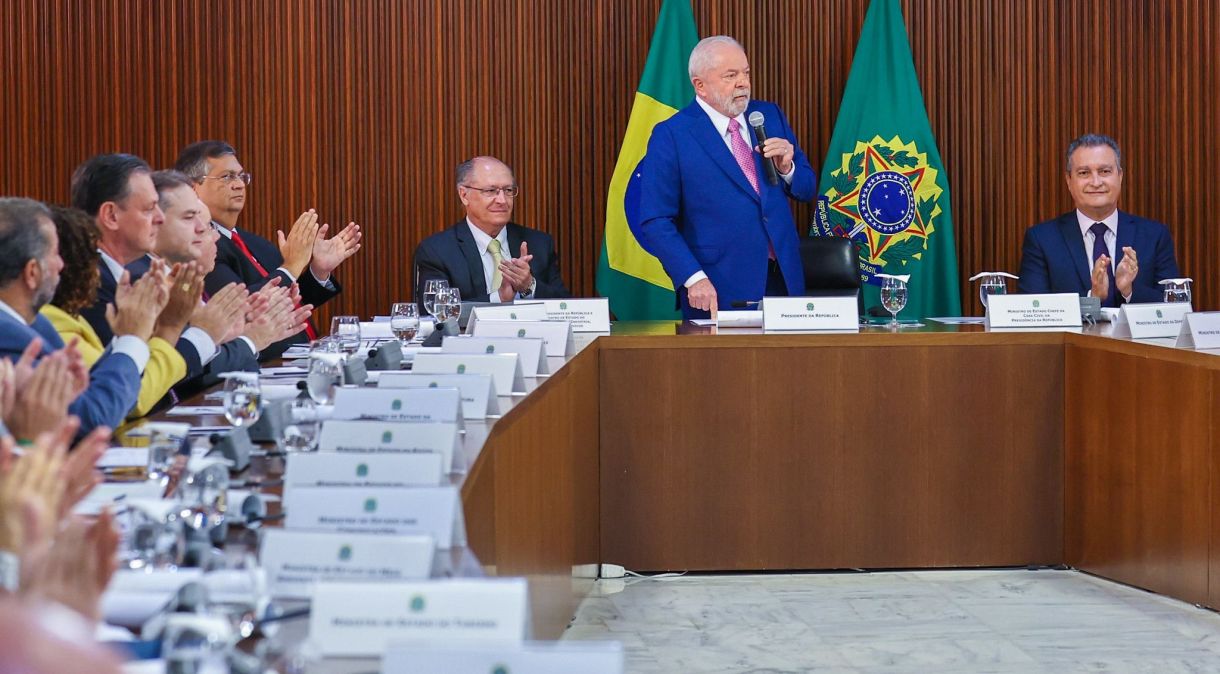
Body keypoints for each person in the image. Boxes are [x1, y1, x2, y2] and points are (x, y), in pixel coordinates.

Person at [631, 35, 817, 319]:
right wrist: (693, 277)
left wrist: (787, 169)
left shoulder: (767, 115)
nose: (743, 82)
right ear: (700, 85)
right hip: (717, 286)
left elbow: (806, 189)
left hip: (783, 279)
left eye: (746, 73)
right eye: (731, 75)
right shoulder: (672, 135)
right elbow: (656, 220)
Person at [175, 140, 360, 353]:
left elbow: (285, 304)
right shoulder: (202, 246)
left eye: (241, 176)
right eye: (227, 177)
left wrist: (318, 271)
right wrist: (292, 266)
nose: (239, 184)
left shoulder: (256, 243)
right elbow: (241, 307)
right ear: (193, 187)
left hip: (300, 356)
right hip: (265, 363)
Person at [70, 153, 244, 377]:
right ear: (111, 216)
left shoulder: (124, 273)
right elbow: (132, 385)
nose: (160, 218)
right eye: (149, 208)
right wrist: (204, 334)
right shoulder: (89, 282)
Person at [137, 170, 310, 395]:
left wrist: (246, 334)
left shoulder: (184, 281)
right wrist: (250, 340)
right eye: (190, 218)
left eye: (207, 224)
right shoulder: (141, 283)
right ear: (155, 223)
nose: (208, 232)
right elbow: (183, 377)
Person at [0, 197, 160, 436]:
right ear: (32, 272)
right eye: (54, 253)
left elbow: (83, 397)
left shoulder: (33, 322)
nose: (61, 264)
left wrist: (121, 341)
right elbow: (89, 417)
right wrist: (133, 338)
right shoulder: (8, 336)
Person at [39, 206, 187, 417]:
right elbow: (128, 397)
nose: (97, 269)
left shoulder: (72, 318)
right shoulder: (53, 322)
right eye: (92, 256)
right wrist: (161, 329)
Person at [1018, 134, 1181, 306]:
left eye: (1104, 171)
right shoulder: (1042, 239)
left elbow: (1173, 306)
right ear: (1069, 181)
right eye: (1084, 173)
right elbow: (1034, 310)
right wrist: (1092, 298)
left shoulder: (1154, 236)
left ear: (1120, 176)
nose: (1096, 182)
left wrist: (1129, 290)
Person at [412, 156, 570, 310]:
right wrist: (499, 298)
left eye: (508, 190)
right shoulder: (437, 251)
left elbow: (566, 308)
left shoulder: (539, 244)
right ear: (464, 195)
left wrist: (529, 286)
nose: (502, 200)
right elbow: (434, 313)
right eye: (490, 190)